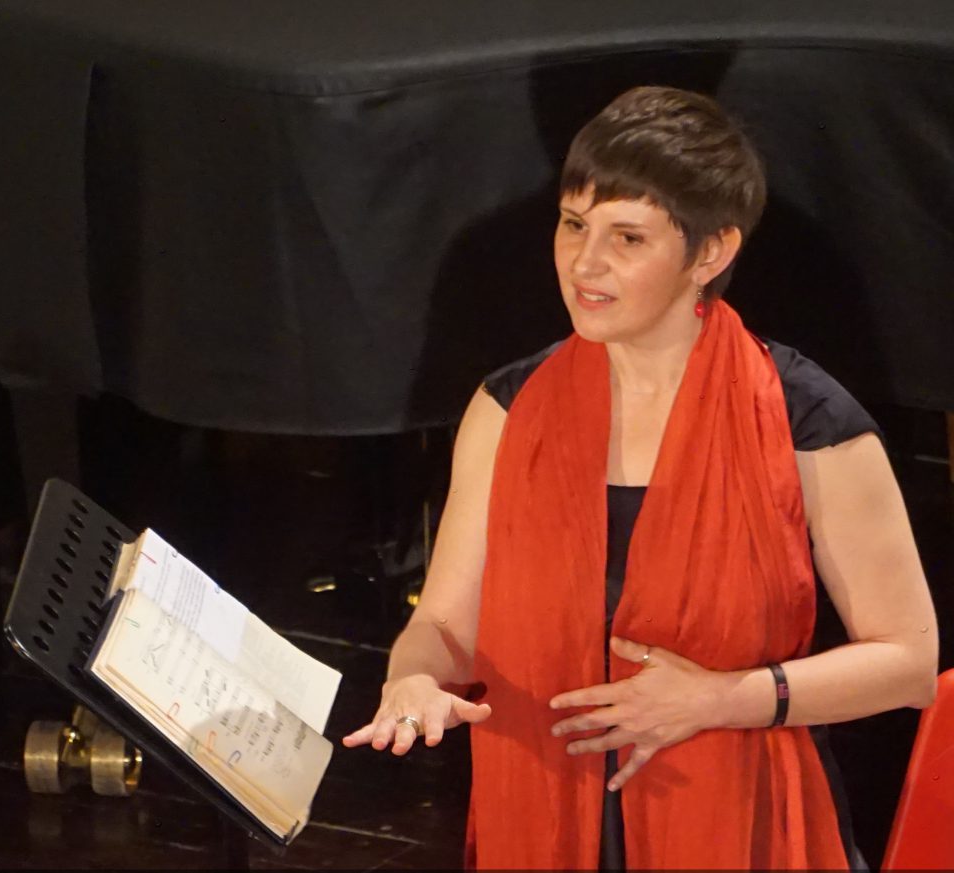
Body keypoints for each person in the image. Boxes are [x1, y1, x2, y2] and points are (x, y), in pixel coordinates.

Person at [342, 86, 938, 870]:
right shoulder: (508, 408)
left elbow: (908, 663)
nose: (584, 263)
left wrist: (721, 698)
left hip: (734, 819)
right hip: (544, 805)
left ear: (710, 253)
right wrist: (413, 678)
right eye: (573, 224)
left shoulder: (808, 422)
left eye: (627, 237)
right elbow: (445, 625)